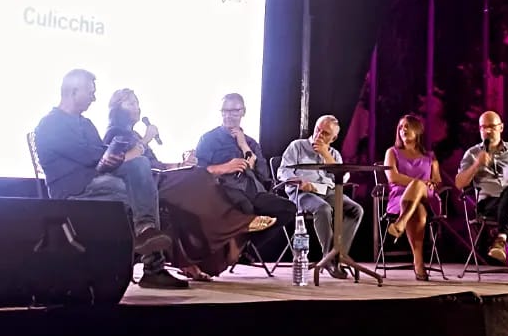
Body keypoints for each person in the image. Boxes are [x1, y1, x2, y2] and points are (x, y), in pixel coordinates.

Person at [33, 69, 188, 289]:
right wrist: (116, 156)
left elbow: (104, 158)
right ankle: (153, 266)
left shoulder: (86, 124)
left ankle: (146, 230)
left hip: (98, 180)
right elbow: (93, 158)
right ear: (73, 91)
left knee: (141, 166)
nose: (94, 98)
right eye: (90, 92)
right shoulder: (51, 124)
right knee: (133, 190)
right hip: (72, 189)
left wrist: (118, 159)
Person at [103, 88, 274, 280]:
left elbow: (156, 164)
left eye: (137, 103)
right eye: (131, 104)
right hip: (142, 186)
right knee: (199, 177)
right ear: (117, 108)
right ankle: (238, 224)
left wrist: (181, 164)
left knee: (189, 190)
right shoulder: (114, 132)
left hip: (157, 176)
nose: (137, 108)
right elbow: (120, 162)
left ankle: (191, 261)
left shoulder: (133, 134)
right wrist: (146, 140)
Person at [194, 93, 296, 259]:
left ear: (243, 112)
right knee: (246, 208)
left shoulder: (251, 143)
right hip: (224, 190)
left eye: (234, 111)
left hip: (254, 191)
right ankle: (232, 251)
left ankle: (245, 249)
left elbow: (264, 176)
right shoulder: (209, 139)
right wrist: (225, 167)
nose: (228, 115)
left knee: (288, 208)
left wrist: (244, 146)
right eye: (225, 111)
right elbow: (198, 171)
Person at [277, 114, 363, 278]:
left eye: (325, 133)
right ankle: (330, 260)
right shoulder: (297, 146)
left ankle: (336, 256)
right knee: (323, 208)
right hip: (303, 193)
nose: (319, 135)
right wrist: (299, 181)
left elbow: (342, 177)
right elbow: (282, 171)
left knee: (356, 210)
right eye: (318, 130)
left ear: (333, 138)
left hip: (327, 191)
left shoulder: (334, 154)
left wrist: (325, 154)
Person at [455, 110, 508, 284]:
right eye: (483, 127)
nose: (488, 131)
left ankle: (501, 239)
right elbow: (459, 183)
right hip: (488, 204)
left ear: (501, 127)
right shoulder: (472, 153)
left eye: (491, 127)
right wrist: (476, 165)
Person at [383, 113, 443, 281]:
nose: (403, 130)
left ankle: (400, 223)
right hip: (400, 198)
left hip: (427, 198)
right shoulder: (392, 152)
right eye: (401, 127)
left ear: (418, 130)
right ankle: (418, 262)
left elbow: (437, 181)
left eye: (407, 126)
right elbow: (393, 177)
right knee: (419, 211)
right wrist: (419, 183)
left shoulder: (430, 156)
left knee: (418, 187)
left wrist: (430, 184)